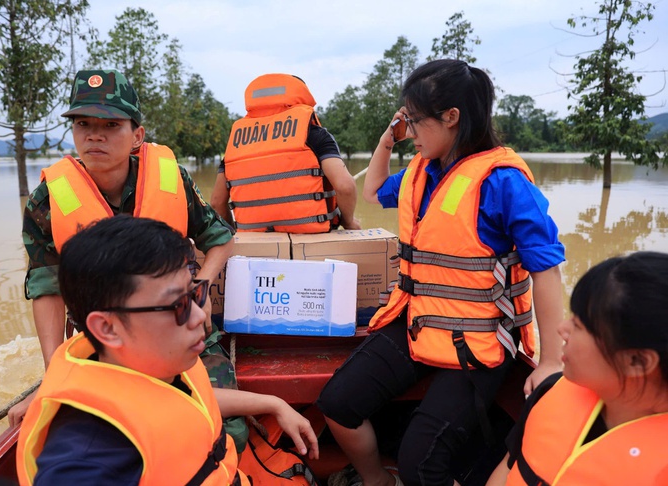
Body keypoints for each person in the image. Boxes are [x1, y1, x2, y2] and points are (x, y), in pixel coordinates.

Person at [316, 59, 566, 486]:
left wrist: (550, 361)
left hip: (479, 340)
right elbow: (374, 191)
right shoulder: (422, 171)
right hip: (418, 321)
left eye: (414, 121)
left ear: (452, 118)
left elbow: (547, 270)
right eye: (405, 121)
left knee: (420, 461)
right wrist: (386, 141)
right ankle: (378, 480)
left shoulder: (503, 182)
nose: (408, 131)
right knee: (337, 403)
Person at [12, 68, 245, 445]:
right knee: (98, 437)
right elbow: (46, 289)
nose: (95, 135)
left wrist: (197, 288)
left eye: (111, 124)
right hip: (106, 342)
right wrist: (55, 375)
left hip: (175, 325)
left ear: (137, 134)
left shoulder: (172, 179)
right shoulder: (48, 200)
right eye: (83, 123)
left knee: (226, 433)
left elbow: (220, 238)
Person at [17, 215, 318, 485]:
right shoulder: (86, 461)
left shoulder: (153, 361)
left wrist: (273, 403)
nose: (201, 316)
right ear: (107, 328)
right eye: (178, 305)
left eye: (194, 293)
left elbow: (188, 398)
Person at [487, 251, 668, 485]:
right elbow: (507, 468)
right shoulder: (551, 390)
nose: (562, 328)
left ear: (637, 362)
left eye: (579, 325)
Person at [210, 73, 361, 233]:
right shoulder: (315, 134)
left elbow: (217, 202)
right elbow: (345, 187)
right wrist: (349, 221)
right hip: (312, 237)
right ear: (303, 97)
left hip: (253, 239)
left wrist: (233, 231)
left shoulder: (238, 141)